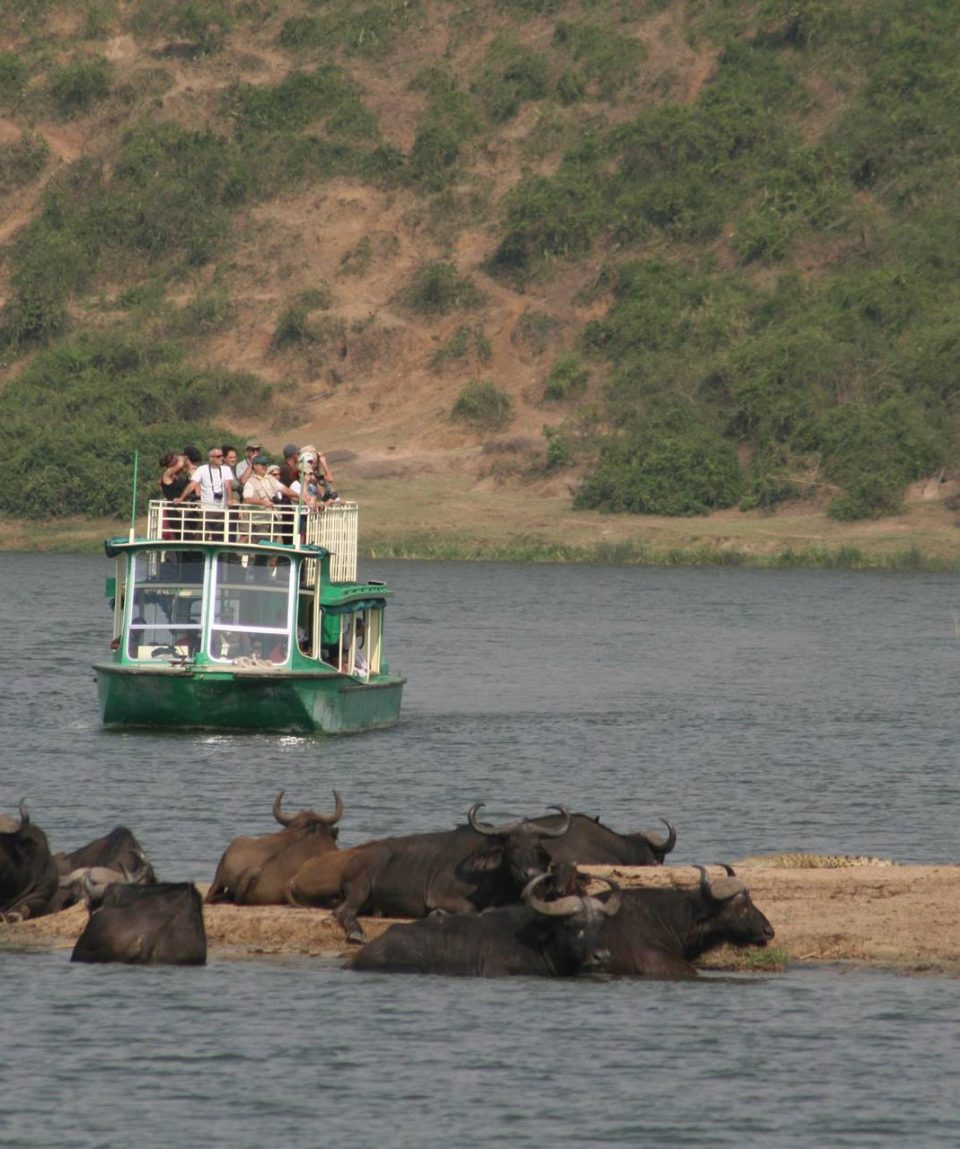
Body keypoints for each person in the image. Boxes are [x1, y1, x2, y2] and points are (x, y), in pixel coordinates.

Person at [241, 454, 299, 541]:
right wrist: (263, 502)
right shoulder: (250, 482)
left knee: (273, 544)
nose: (264, 467)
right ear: (255, 466)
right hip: (260, 521)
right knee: (263, 543)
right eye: (262, 464)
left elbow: (284, 489)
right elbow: (248, 499)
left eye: (266, 464)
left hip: (274, 519)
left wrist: (300, 496)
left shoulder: (270, 479)